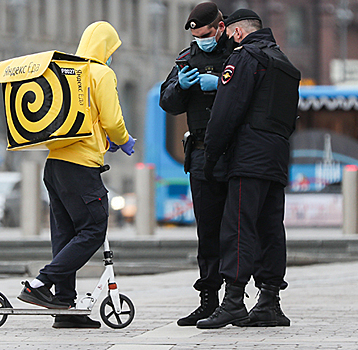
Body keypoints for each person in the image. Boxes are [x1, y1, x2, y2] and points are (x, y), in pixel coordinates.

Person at [17, 21, 135, 329]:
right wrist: (123, 140)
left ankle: (65, 307)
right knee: (93, 229)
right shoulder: (101, 73)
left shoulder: (66, 72)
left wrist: (101, 139)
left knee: (65, 235)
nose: (112, 56)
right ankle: (42, 284)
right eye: (112, 50)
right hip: (81, 168)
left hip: (55, 166)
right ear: (106, 48)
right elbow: (111, 118)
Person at [196, 9, 300, 329]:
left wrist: (212, 153)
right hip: (276, 156)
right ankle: (269, 301)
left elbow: (227, 110)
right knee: (270, 228)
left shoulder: (244, 58)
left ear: (238, 33)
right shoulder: (283, 63)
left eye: (229, 34)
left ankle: (233, 302)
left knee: (238, 227)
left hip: (248, 156)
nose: (226, 39)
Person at [159, 2, 234, 326]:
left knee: (236, 229)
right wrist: (181, 86)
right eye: (197, 35)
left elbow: (252, 92)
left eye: (206, 34)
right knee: (207, 231)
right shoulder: (187, 59)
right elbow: (168, 102)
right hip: (202, 153)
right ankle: (208, 299)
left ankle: (236, 298)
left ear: (219, 27)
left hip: (235, 152)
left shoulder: (237, 53)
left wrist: (220, 85)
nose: (202, 40)